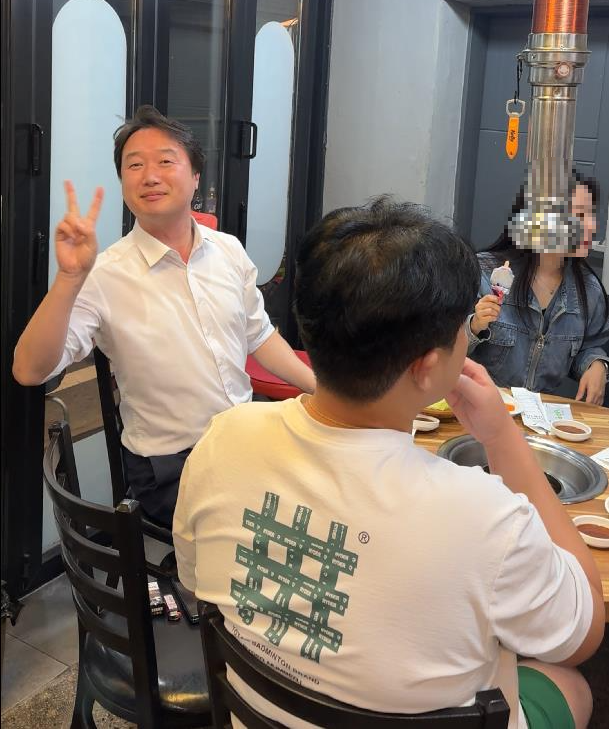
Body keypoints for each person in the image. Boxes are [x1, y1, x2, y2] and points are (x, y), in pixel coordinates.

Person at [174, 197, 603, 729]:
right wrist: (503, 439)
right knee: (570, 683)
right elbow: (584, 633)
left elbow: (195, 582)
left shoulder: (223, 437)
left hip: (255, 713)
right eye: (460, 328)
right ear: (427, 367)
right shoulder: (486, 517)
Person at [12, 106, 315, 526]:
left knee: (320, 504)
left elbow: (259, 337)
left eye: (165, 161)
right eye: (134, 165)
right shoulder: (104, 273)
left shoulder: (228, 251)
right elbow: (30, 370)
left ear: (196, 176)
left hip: (243, 441)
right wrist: (68, 279)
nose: (150, 176)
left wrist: (322, 390)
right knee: (277, 535)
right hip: (171, 467)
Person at [467, 173, 609, 404]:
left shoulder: (589, 291)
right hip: (477, 408)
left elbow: (590, 346)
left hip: (539, 417)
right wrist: (474, 326)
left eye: (591, 214)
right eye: (579, 215)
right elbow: (444, 348)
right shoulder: (484, 272)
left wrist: (597, 364)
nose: (592, 226)